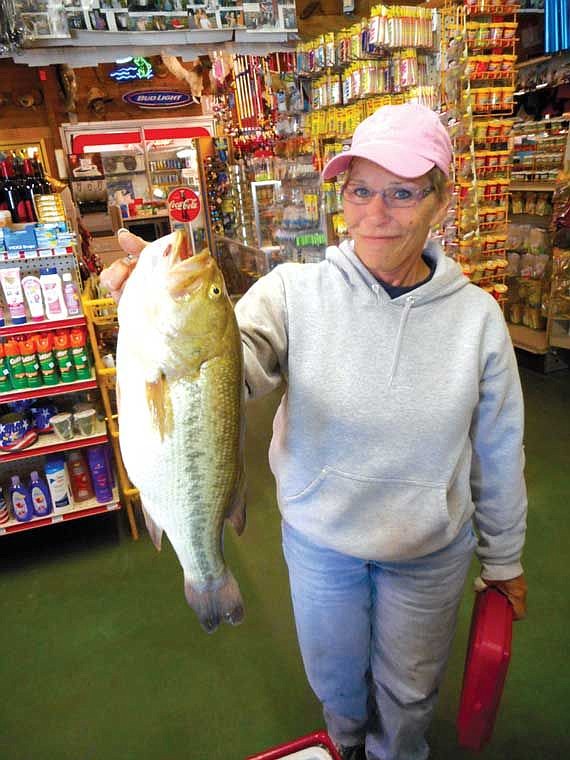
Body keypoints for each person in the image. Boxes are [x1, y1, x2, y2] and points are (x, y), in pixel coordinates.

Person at [101, 102, 528, 760]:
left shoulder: (478, 320)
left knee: (411, 695)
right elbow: (227, 368)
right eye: (361, 190)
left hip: (428, 552)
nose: (376, 212)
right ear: (343, 197)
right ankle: (346, 746)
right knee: (336, 684)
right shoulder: (293, 291)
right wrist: (149, 312)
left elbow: (499, 451)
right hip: (321, 541)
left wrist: (503, 560)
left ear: (440, 201)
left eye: (402, 192)